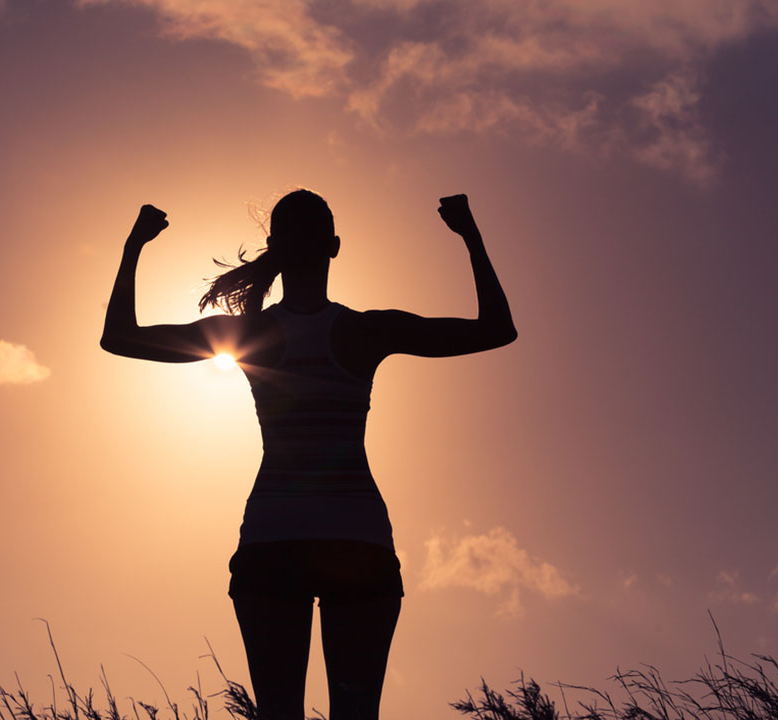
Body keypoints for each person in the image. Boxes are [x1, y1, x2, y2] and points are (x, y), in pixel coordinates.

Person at [99, 189, 517, 720]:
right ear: (334, 247)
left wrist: (135, 245)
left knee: (279, 717)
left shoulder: (248, 333)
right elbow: (495, 330)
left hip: (274, 541)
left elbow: (120, 338)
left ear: (274, 245)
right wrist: (470, 236)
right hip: (357, 540)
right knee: (355, 714)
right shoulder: (368, 330)